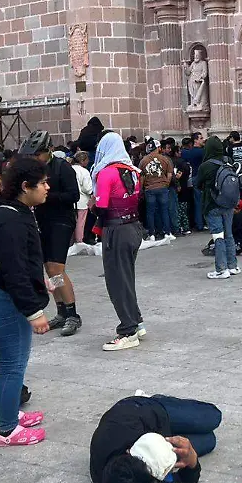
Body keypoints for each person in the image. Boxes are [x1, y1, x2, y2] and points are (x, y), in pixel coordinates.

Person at [0, 156, 51, 446]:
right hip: (0, 298)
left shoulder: (10, 212)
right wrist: (34, 312)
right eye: (42, 183)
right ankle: (7, 430)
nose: (47, 188)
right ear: (25, 186)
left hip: (0, 294)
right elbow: (14, 269)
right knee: (12, 363)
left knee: (14, 361)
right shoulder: (10, 219)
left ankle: (10, 414)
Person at [89, 394, 222, 483]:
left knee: (213, 417)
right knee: (210, 441)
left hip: (145, 410)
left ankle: (154, 398)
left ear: (129, 451)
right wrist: (192, 461)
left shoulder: (136, 442)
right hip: (156, 439)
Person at [92, 133, 147, 352]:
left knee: (117, 281)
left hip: (116, 229)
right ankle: (137, 321)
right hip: (133, 226)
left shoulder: (107, 173)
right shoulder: (133, 171)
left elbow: (102, 206)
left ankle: (128, 330)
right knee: (126, 278)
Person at [24, 132, 82, 336]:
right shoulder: (35, 170)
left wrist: (47, 197)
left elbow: (73, 195)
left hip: (61, 221)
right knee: (48, 268)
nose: (34, 158)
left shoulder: (62, 167)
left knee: (57, 267)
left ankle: (73, 314)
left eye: (37, 154)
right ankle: (62, 310)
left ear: (47, 151)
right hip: (42, 221)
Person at [196, 136, 241, 279]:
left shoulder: (206, 165)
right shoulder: (228, 161)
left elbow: (197, 184)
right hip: (228, 203)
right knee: (229, 234)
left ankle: (221, 269)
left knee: (218, 236)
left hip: (212, 204)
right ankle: (232, 265)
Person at [138, 138, 177, 241]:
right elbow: (169, 174)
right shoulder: (165, 159)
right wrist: (166, 184)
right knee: (164, 210)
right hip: (162, 187)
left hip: (149, 189)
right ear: (158, 148)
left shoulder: (144, 160)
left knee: (150, 212)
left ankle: (152, 234)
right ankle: (167, 232)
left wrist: (141, 189)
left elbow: (141, 177)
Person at [71, 151, 94, 243]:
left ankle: (72, 241)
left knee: (73, 222)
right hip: (82, 201)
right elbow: (87, 188)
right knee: (80, 223)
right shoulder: (84, 171)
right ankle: (79, 240)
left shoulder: (70, 169)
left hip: (71, 200)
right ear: (83, 160)